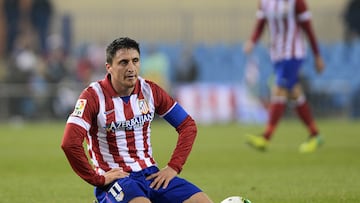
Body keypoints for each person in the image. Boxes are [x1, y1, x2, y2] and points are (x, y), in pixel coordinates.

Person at [61, 37, 213, 203]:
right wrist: (97, 179)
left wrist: (173, 167)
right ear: (109, 67)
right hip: (117, 180)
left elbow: (187, 125)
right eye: (123, 62)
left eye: (135, 61)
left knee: (202, 201)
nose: (131, 68)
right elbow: (70, 143)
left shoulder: (150, 90)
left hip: (150, 174)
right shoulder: (93, 96)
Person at [243, 0, 325, 153]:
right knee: (294, 93)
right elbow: (261, 23)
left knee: (279, 89)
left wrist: (317, 55)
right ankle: (315, 135)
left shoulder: (297, 2)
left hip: (293, 53)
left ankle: (265, 138)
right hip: (277, 54)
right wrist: (252, 41)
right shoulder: (265, 2)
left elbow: (308, 29)